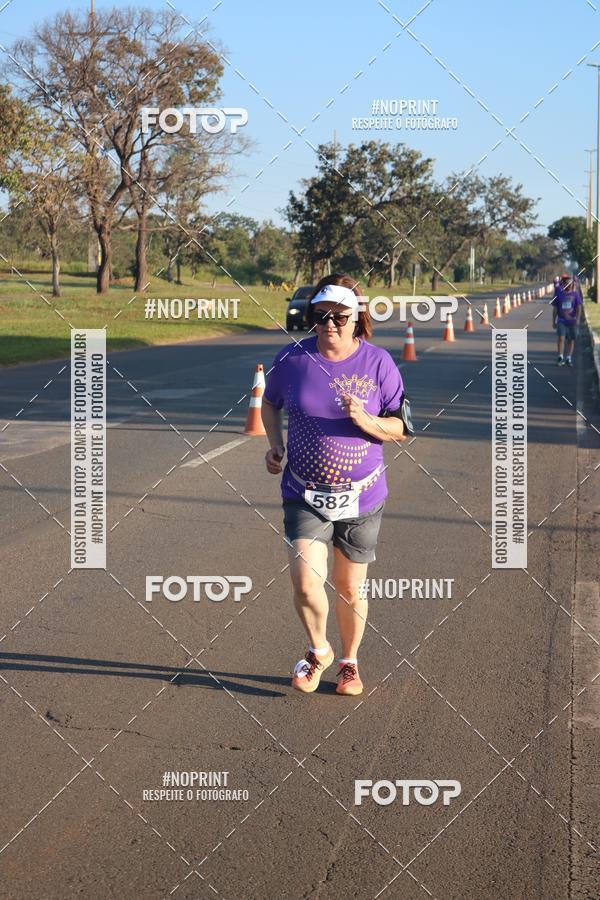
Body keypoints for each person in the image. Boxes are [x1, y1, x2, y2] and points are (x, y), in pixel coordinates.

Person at [261, 273, 408, 697]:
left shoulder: (379, 363)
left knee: (348, 586)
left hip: (363, 495)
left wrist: (367, 421)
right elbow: (270, 403)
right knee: (306, 582)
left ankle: (349, 663)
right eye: (321, 316)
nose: (329, 325)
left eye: (340, 317)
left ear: (357, 317)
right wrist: (276, 445)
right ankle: (318, 650)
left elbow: (401, 427)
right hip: (304, 492)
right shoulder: (292, 359)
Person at [552, 273, 583, 367]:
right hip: (561, 320)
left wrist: (577, 319)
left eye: (570, 284)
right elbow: (555, 309)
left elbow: (579, 307)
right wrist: (554, 321)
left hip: (572, 321)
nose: (569, 285)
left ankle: (568, 357)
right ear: (564, 285)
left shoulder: (575, 295)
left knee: (571, 340)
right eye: (567, 284)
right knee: (561, 338)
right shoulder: (559, 294)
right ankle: (560, 356)